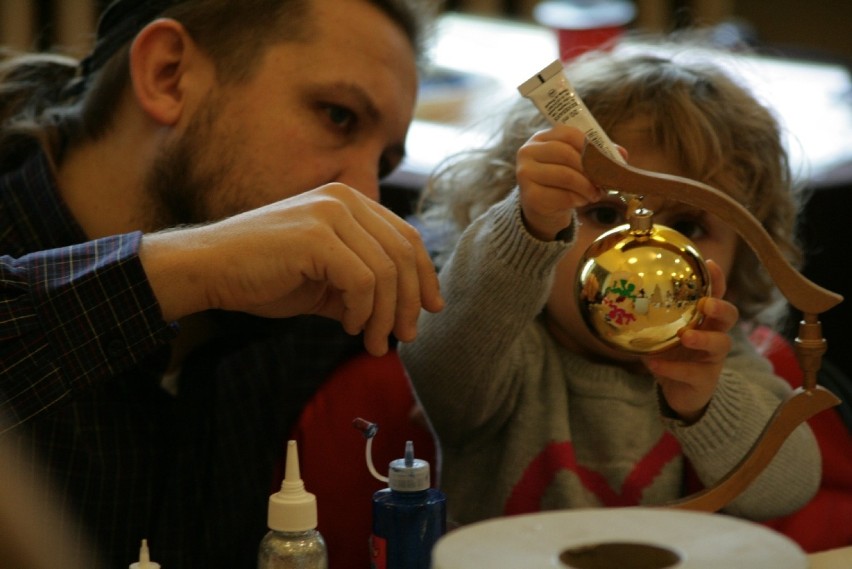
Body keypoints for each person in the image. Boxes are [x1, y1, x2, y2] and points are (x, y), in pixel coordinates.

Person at [0, 0, 443, 567]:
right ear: (169, 75)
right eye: (337, 116)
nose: (363, 195)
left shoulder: (291, 318)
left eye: (381, 164)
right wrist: (192, 269)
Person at [399, 45, 822, 529]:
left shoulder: (717, 360)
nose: (643, 257)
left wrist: (708, 400)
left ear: (743, 253)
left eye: (688, 224)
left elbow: (790, 488)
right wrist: (527, 228)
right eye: (602, 215)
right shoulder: (505, 351)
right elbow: (437, 361)